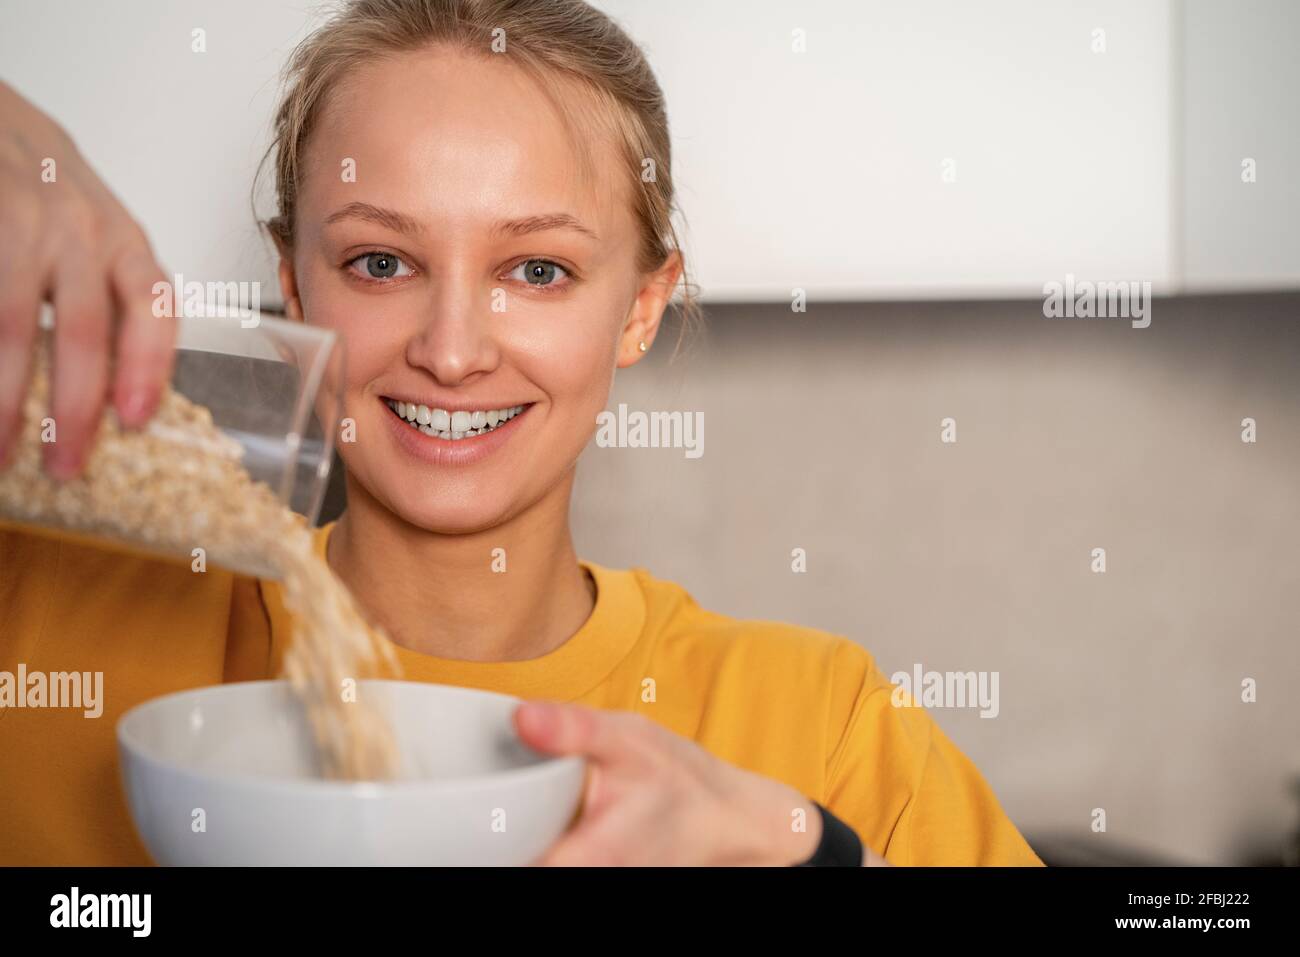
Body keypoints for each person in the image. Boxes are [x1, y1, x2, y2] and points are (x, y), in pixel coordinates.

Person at [0, 0, 1042, 866]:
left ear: (639, 307)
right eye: (378, 263)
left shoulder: (814, 724)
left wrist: (809, 855)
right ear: (292, 287)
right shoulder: (51, 618)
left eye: (535, 271)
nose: (451, 352)